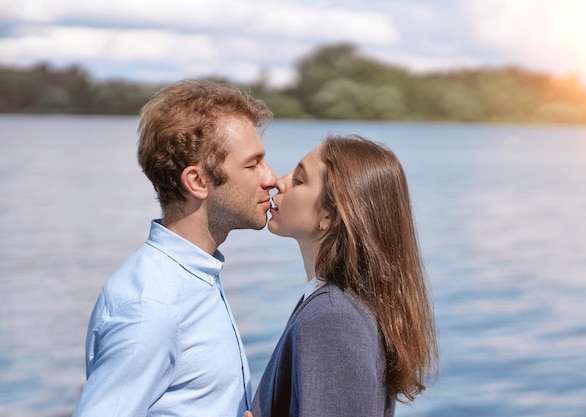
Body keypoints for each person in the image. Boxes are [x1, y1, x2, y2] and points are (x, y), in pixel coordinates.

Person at [73, 80, 277, 417]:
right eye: (252, 164)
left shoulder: (195, 274)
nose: (270, 178)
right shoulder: (152, 307)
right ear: (197, 182)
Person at [249, 135, 438, 417]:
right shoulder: (335, 305)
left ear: (330, 215)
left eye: (299, 180)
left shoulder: (333, 318)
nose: (280, 181)